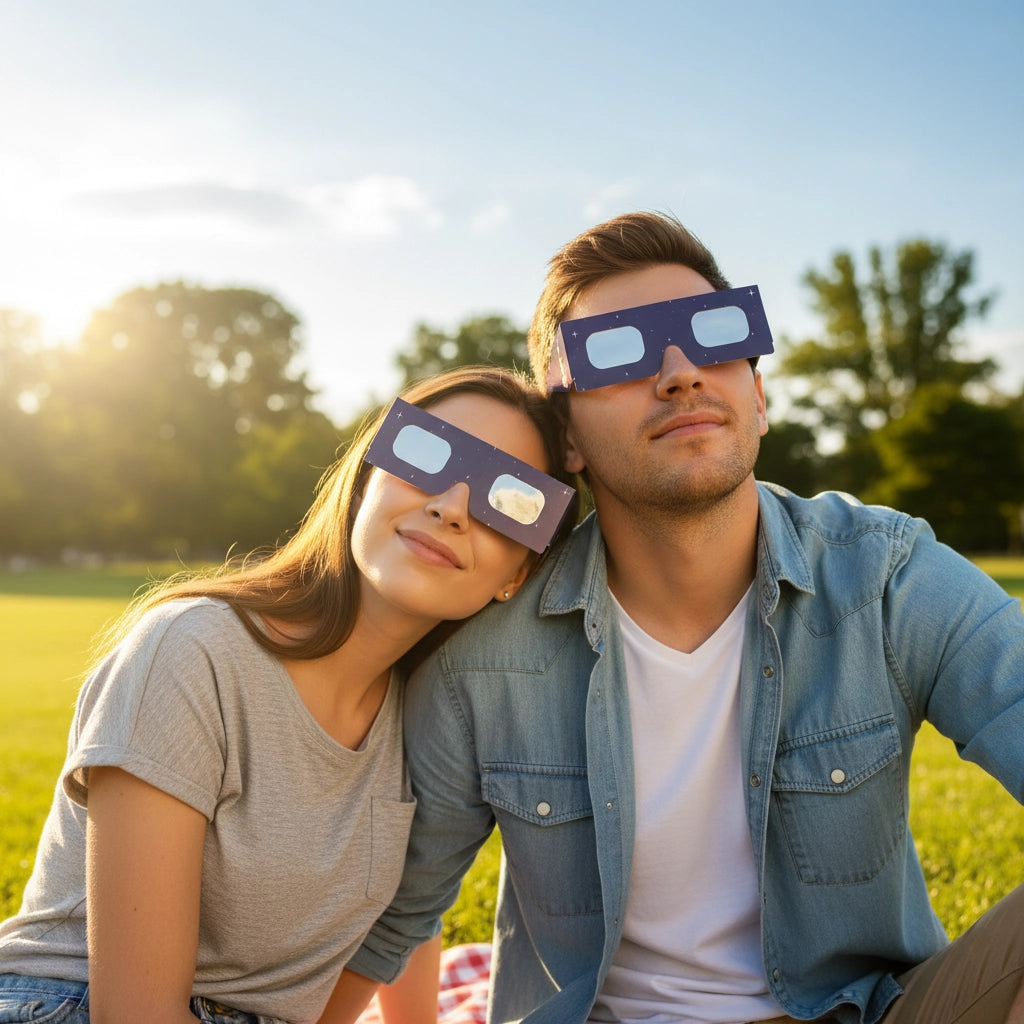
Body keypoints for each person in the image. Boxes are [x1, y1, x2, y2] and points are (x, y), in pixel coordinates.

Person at [342, 212, 1024, 1024]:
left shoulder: (886, 576)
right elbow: (396, 920)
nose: (679, 373)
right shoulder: (484, 659)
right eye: (617, 352)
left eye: (715, 335)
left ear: (758, 397)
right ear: (568, 441)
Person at [0, 366, 578, 1024]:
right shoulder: (193, 652)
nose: (450, 505)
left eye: (510, 500)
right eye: (426, 454)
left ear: (517, 575)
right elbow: (136, 1014)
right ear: (366, 481)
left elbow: (405, 916)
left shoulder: (425, 721)